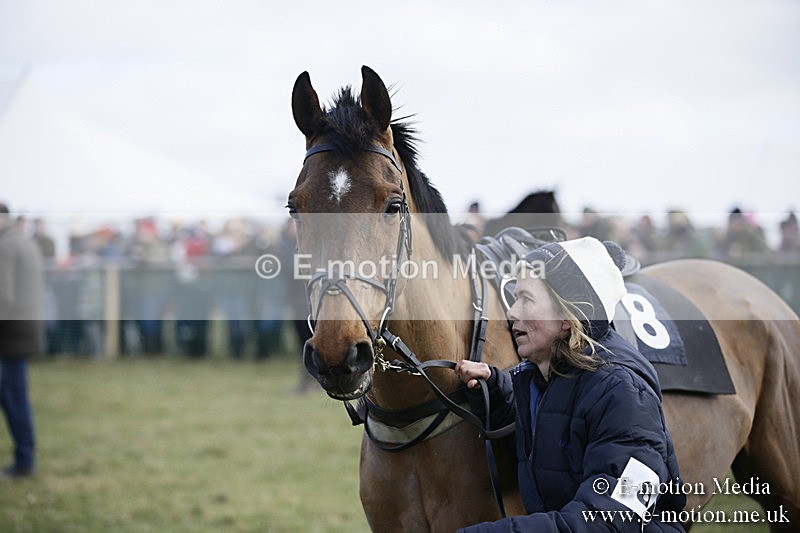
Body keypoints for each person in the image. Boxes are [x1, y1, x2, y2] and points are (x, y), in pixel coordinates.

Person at [455, 236, 685, 531]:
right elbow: (559, 431)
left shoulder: (624, 393)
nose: (511, 312)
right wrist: (499, 391)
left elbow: (613, 519)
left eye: (526, 299)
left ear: (568, 315)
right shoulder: (541, 377)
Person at [0, 202, 43, 479]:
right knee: (17, 396)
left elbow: (3, 295)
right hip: (24, 329)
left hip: (9, 333)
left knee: (13, 398)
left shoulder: (6, 246)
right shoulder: (25, 242)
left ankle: (24, 460)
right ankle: (25, 458)